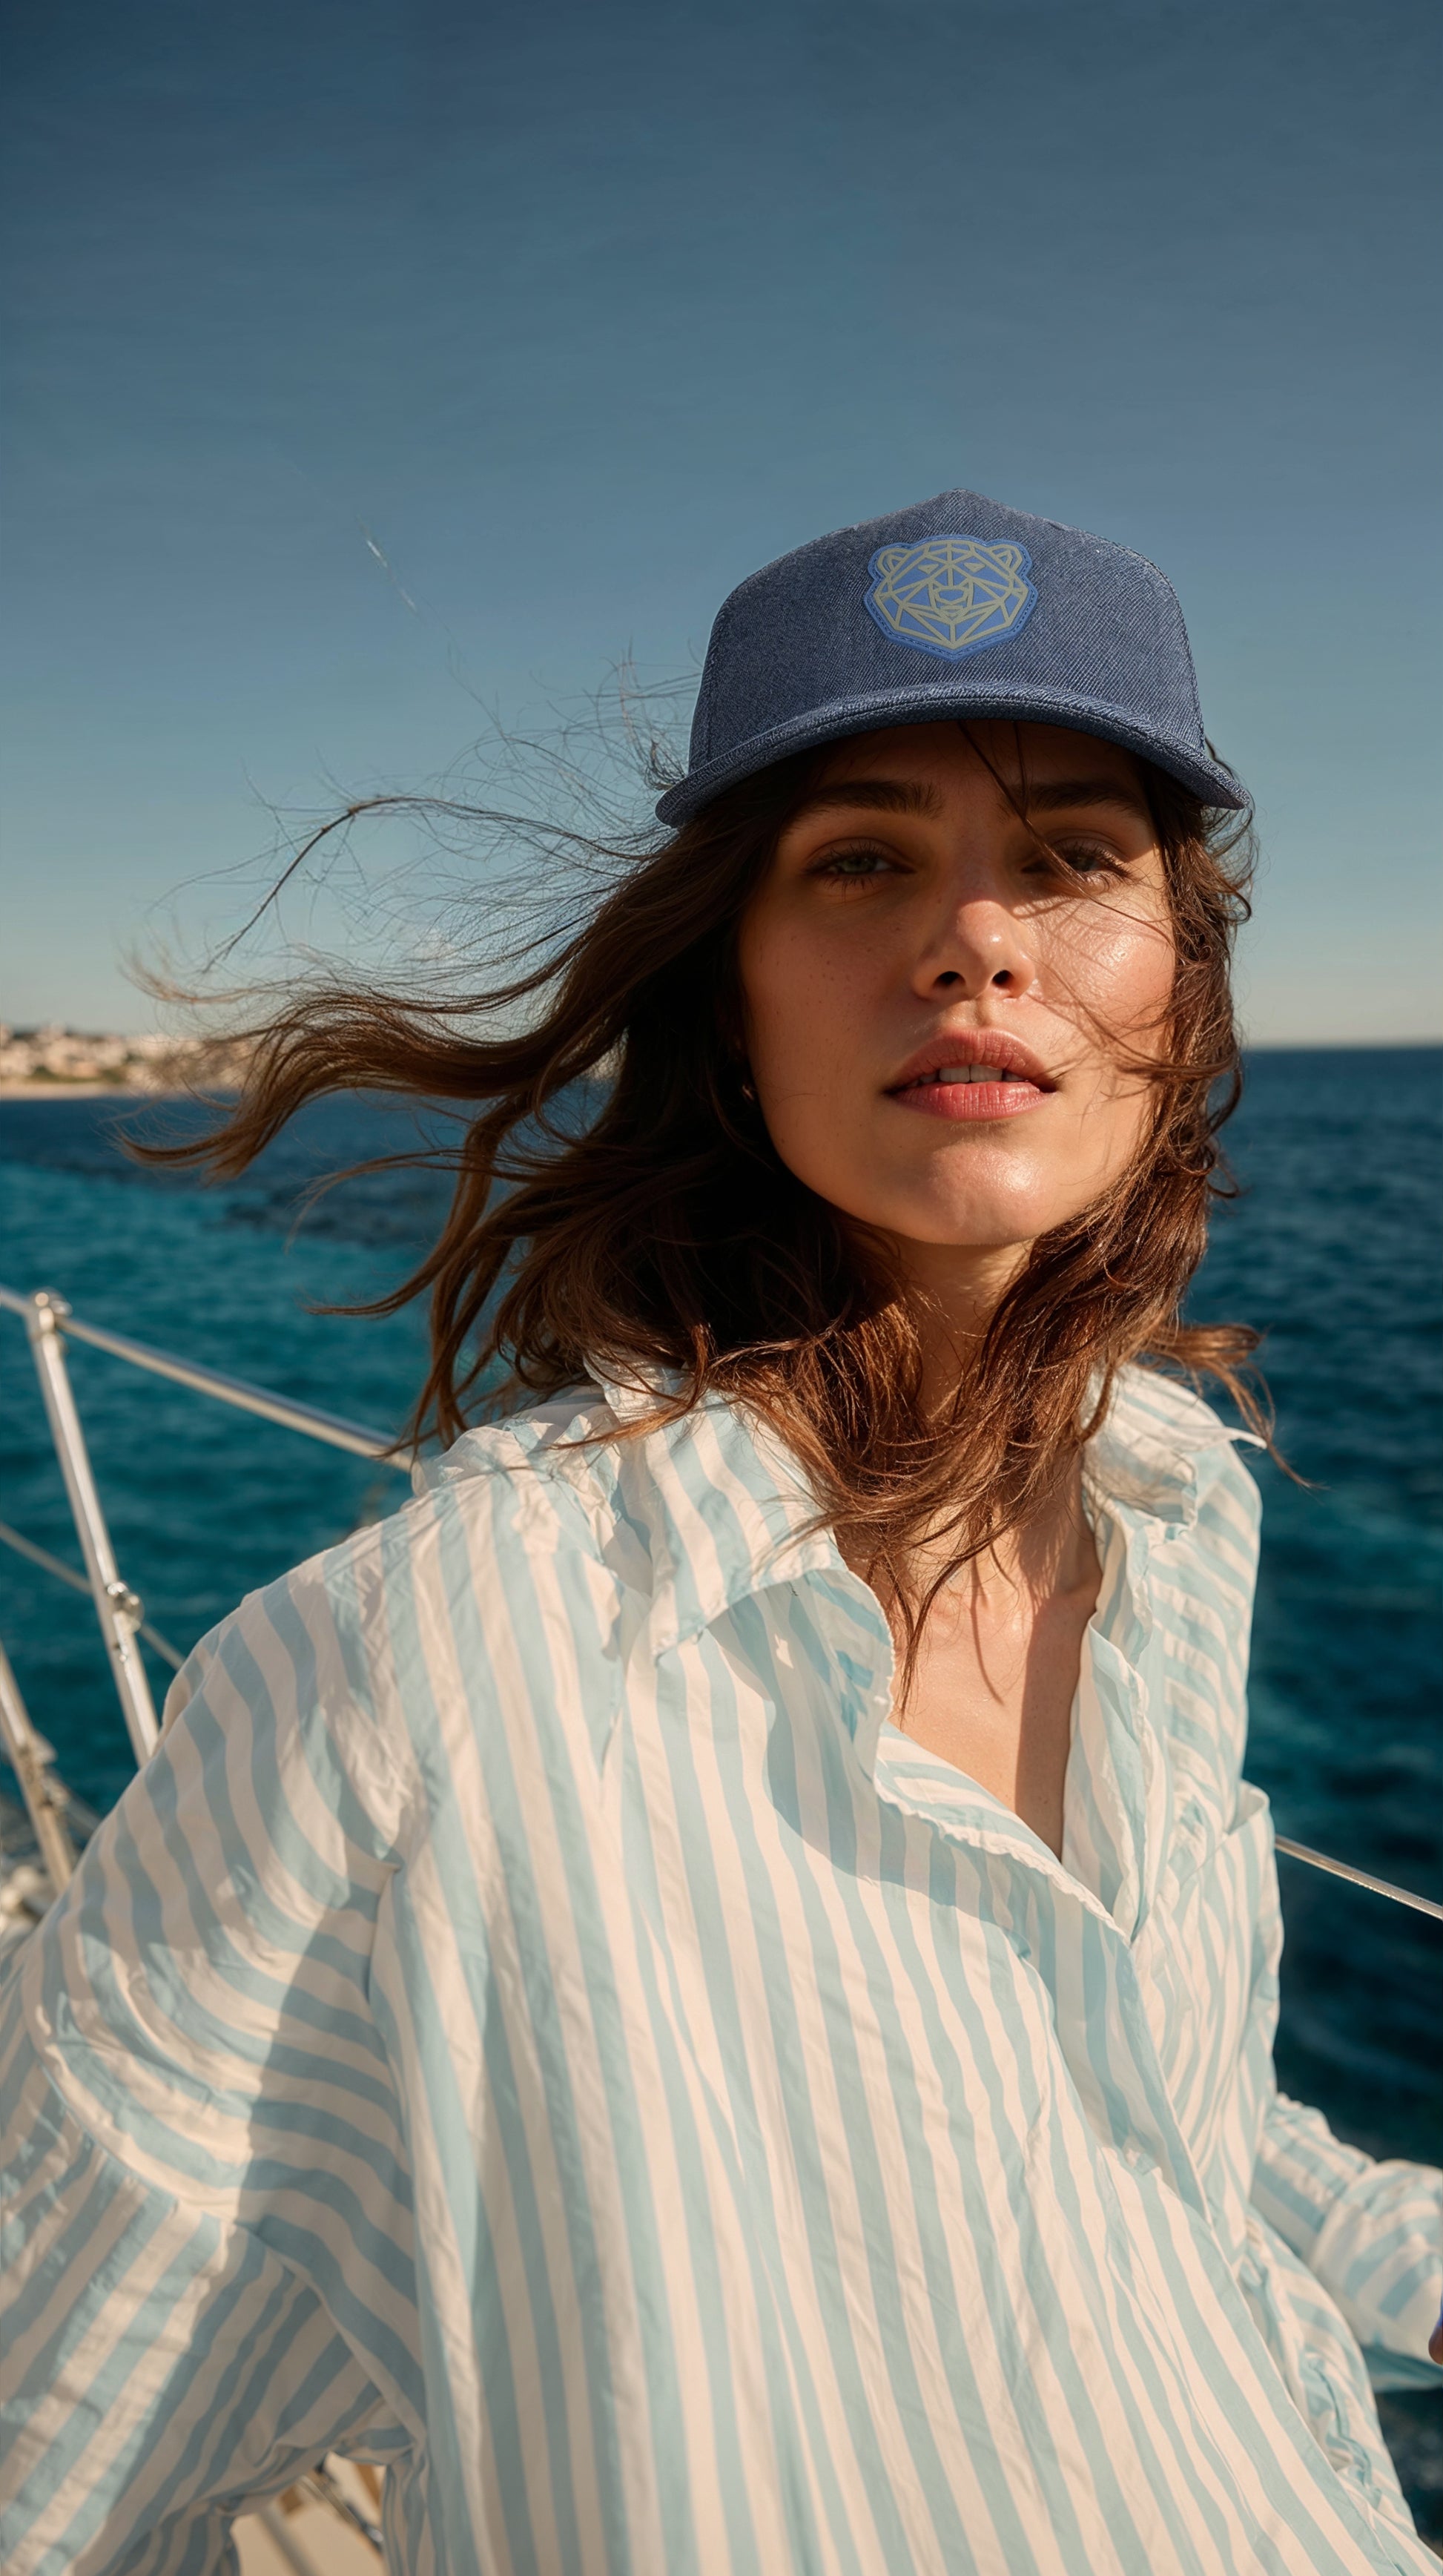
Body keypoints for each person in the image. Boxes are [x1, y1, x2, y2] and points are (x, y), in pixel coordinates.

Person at [1, 493, 1439, 2576]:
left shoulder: (1158, 1499)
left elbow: (1151, 2116)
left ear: (1182, 993)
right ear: (727, 1005)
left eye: (1069, 857)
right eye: (858, 862)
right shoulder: (438, 1671)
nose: (975, 936)